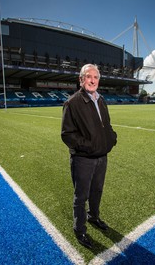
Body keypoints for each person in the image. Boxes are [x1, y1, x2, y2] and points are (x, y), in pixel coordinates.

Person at [61, 64, 117, 249]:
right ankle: (80, 230)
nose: (92, 80)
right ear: (81, 79)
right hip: (83, 159)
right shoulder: (72, 103)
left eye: (96, 77)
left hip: (102, 157)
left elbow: (106, 125)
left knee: (97, 190)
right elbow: (67, 135)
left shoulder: (101, 100)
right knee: (81, 196)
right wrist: (90, 147)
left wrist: (111, 139)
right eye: (88, 77)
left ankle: (94, 217)